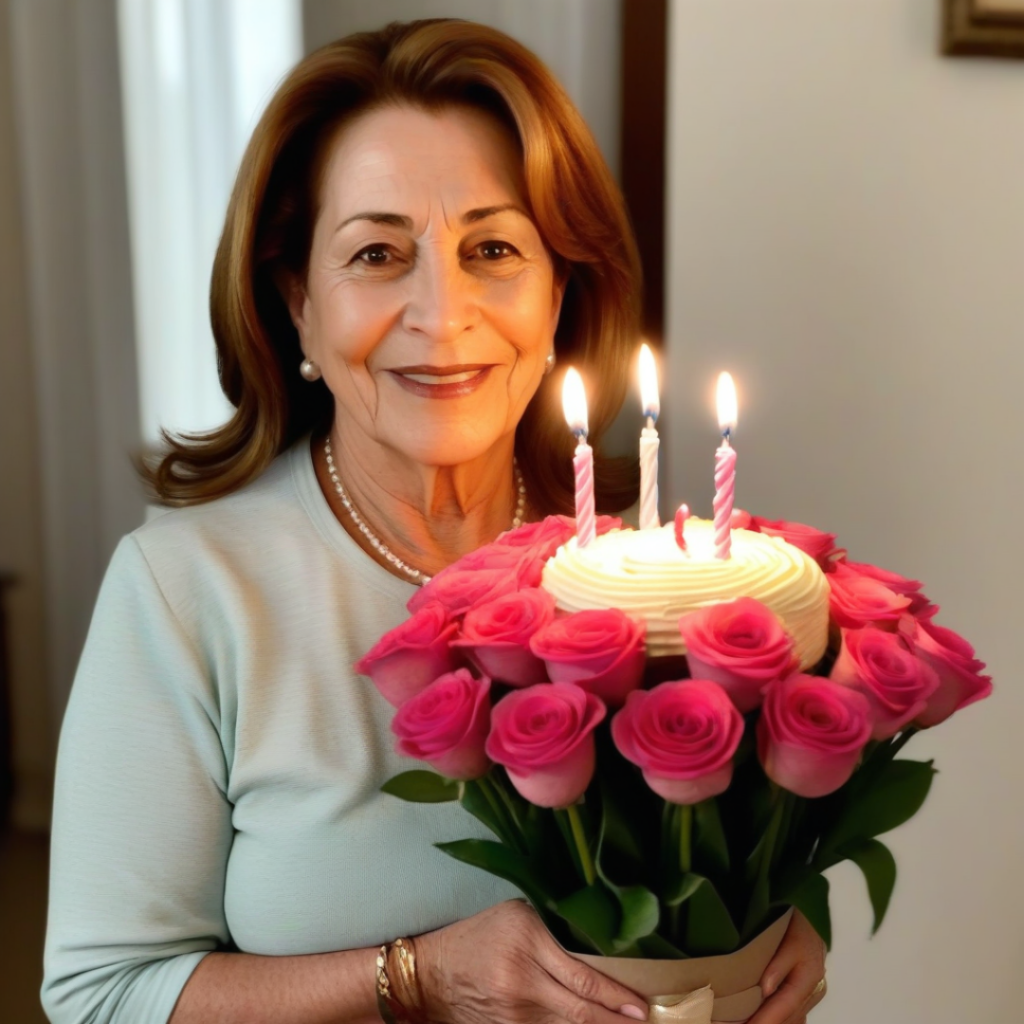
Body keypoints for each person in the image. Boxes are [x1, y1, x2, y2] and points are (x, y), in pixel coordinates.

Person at [42, 19, 827, 1024]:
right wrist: (414, 976)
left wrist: (767, 930)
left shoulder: (663, 575)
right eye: (377, 253)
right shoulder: (186, 591)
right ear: (297, 302)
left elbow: (697, 879)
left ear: (559, 297)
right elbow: (100, 997)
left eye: (492, 247)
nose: (442, 311)